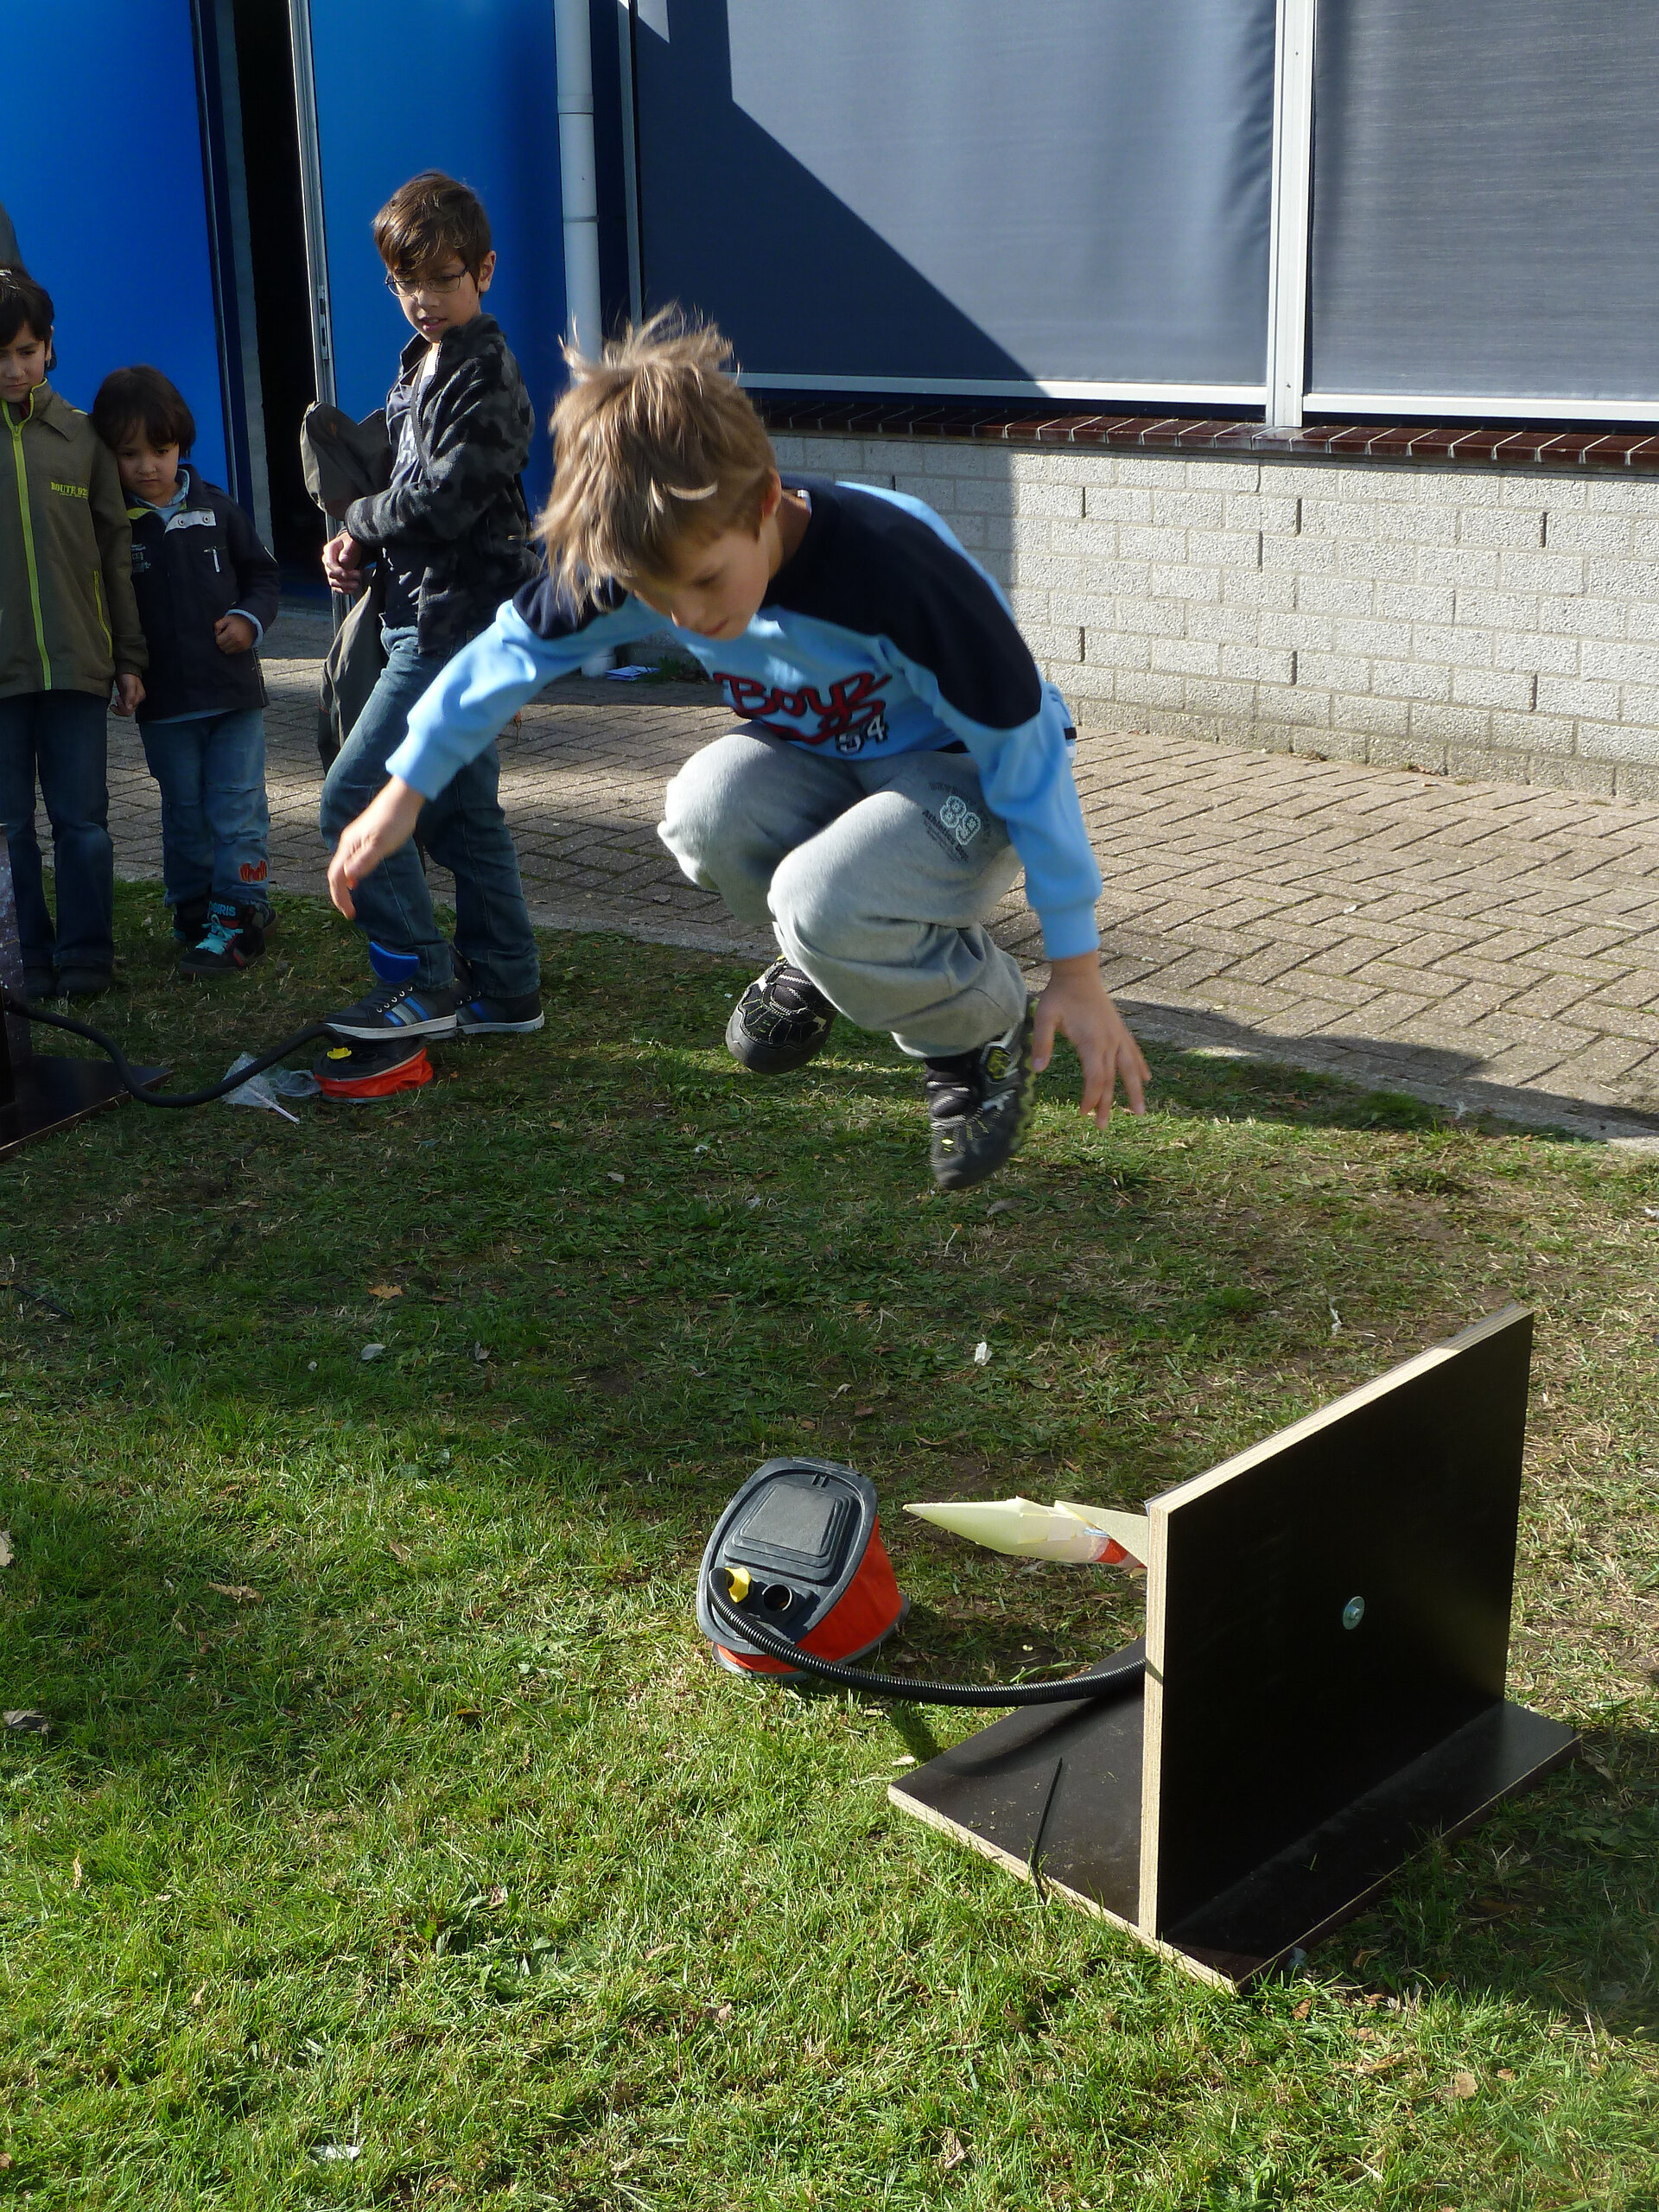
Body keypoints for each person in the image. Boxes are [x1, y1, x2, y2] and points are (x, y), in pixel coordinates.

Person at [327, 315, 1149, 1189]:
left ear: (763, 501)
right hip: (833, 755)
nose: (687, 618)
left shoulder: (894, 570)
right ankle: (825, 959)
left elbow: (1026, 755)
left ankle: (969, 1033)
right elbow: (503, 654)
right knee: (703, 811)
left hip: (967, 774)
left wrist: (1077, 967)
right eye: (655, 595)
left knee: (822, 900)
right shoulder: (647, 550)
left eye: (708, 582)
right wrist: (402, 793)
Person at [318, 170, 544, 1046]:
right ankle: (509, 990)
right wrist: (358, 545)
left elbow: (443, 500)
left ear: (483, 271)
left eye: (442, 280)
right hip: (418, 614)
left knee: (356, 794)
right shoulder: (422, 363)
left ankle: (422, 980)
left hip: (458, 630)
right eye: (406, 284)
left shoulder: (486, 369)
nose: (423, 300)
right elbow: (403, 491)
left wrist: (361, 519)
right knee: (456, 811)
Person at [92, 365, 280, 975]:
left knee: (237, 806)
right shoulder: (111, 527)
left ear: (182, 446)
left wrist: (250, 619)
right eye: (130, 454)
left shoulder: (217, 508)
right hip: (165, 704)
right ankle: (195, 909)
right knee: (184, 810)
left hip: (233, 698)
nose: (148, 466)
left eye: (162, 450)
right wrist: (123, 669)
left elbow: (264, 575)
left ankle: (243, 912)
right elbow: (104, 605)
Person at [0, 269, 145, 999]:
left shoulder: (84, 439)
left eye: (26, 350)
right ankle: (26, 957)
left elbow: (116, 554)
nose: (12, 368)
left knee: (82, 822)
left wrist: (127, 658)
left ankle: (88, 955)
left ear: (49, 346)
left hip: (77, 670)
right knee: (9, 831)